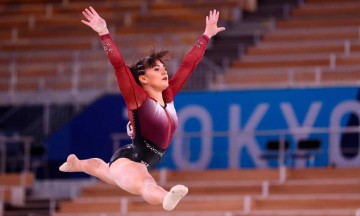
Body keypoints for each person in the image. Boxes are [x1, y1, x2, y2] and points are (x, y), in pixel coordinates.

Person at [59, 6, 225, 211]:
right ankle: (167, 197)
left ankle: (77, 164)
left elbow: (187, 66)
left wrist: (206, 35)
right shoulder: (137, 98)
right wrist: (104, 33)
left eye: (164, 68)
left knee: (104, 170)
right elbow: (119, 66)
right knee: (145, 183)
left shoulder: (169, 95)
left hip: (136, 158)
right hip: (130, 161)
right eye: (157, 69)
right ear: (143, 78)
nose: (164, 72)